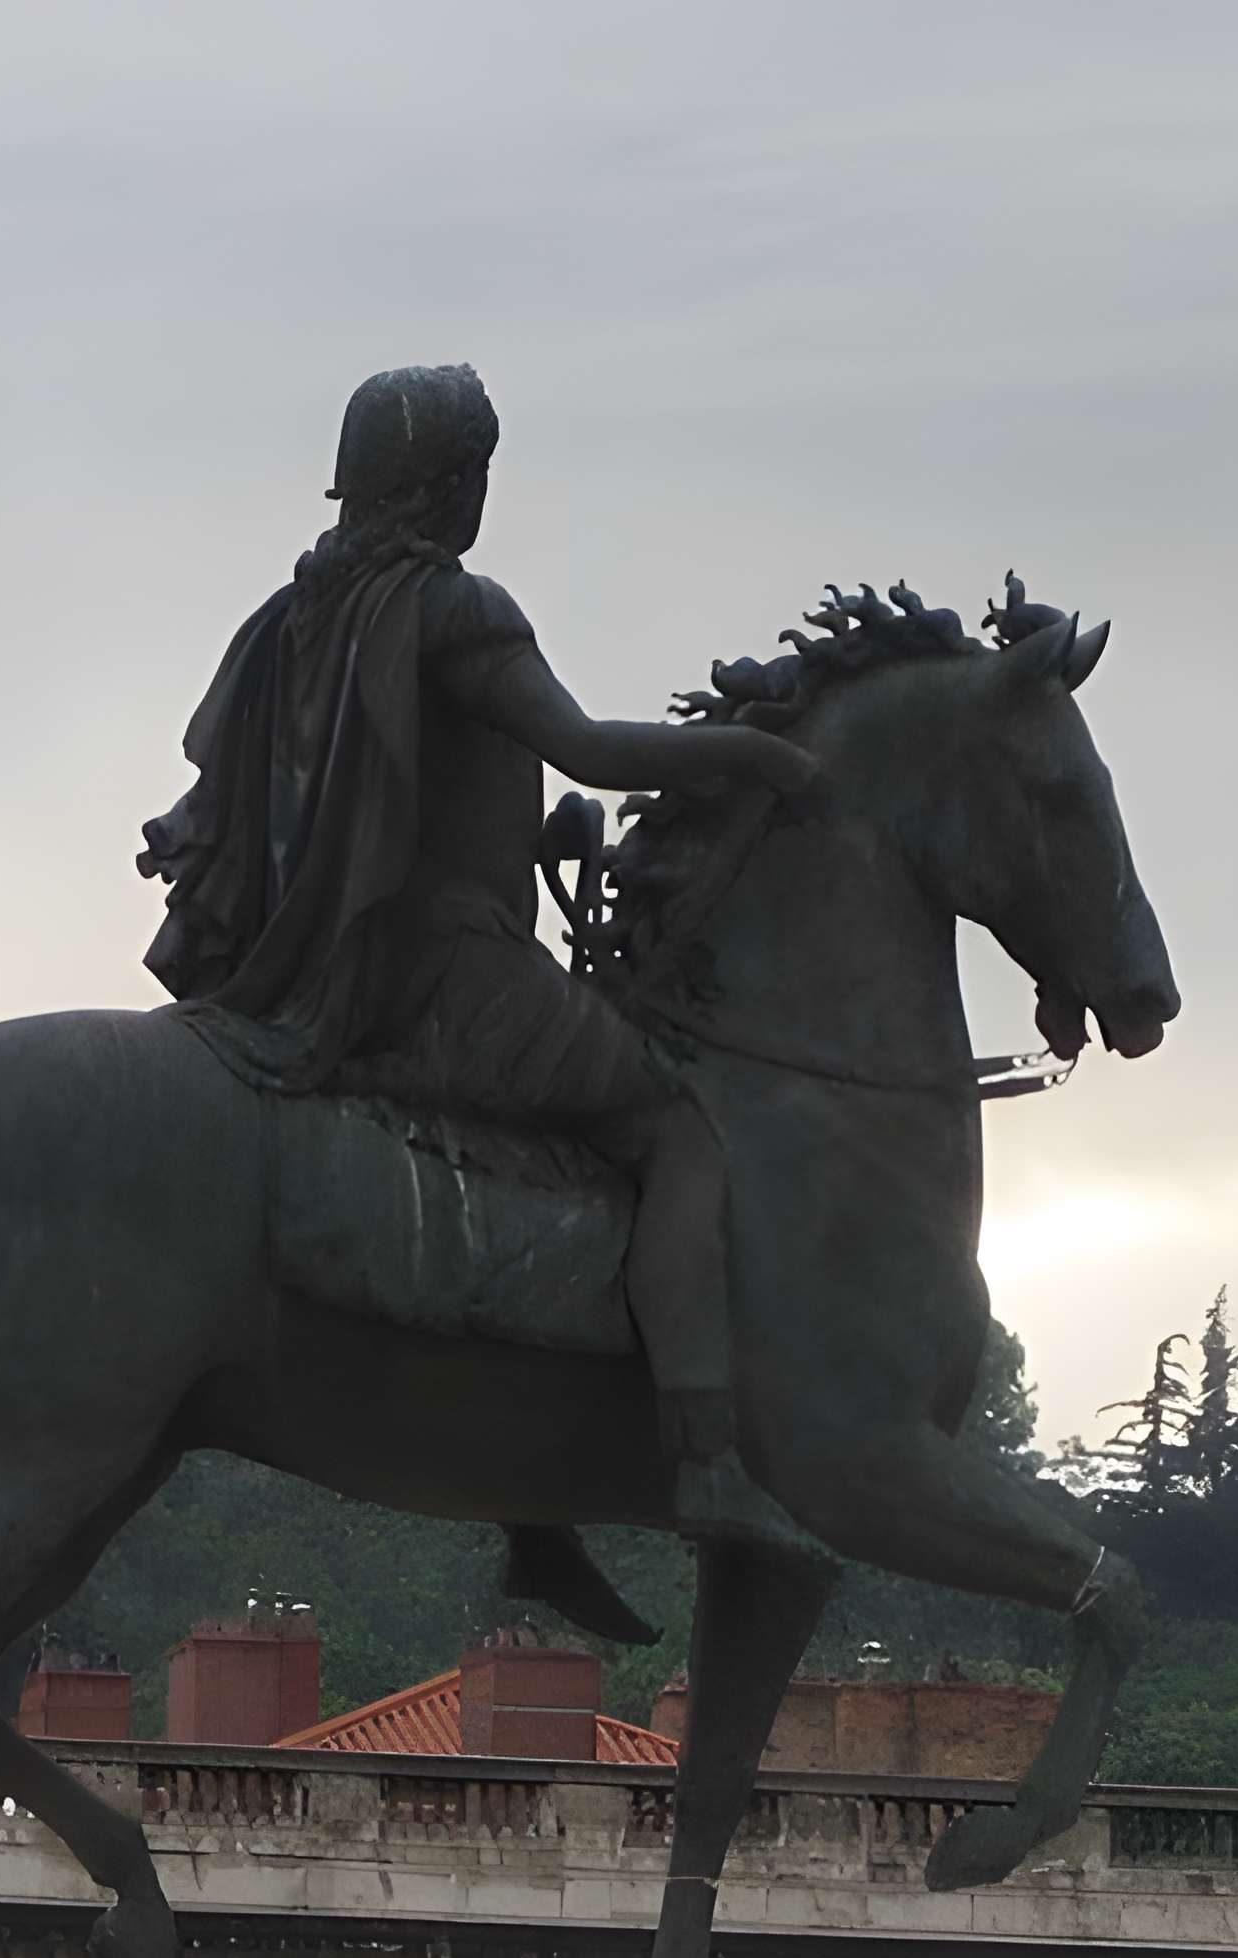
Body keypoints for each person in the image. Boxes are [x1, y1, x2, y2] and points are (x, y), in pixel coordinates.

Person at [139, 363, 813, 1550]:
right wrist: (754, 762)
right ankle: (704, 1458)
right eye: (476, 474)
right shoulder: (455, 608)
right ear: (448, 485)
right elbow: (586, 744)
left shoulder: (293, 615)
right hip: (445, 977)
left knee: (539, 1154)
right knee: (672, 1132)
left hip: (316, 972)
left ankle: (533, 1513)